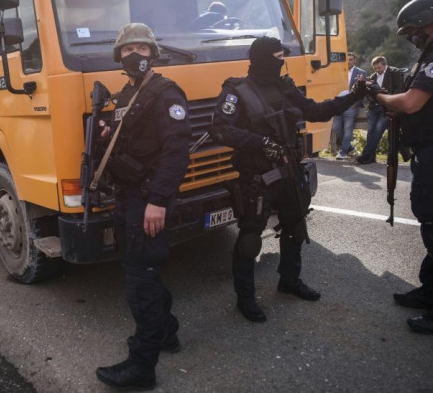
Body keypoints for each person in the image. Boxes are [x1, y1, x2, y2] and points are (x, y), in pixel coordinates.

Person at [207, 36, 366, 322]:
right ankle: (245, 298)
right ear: (263, 59)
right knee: (250, 239)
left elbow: (316, 111)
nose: (282, 61)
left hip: (289, 171)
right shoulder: (236, 90)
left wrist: (355, 95)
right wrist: (261, 143)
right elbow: (219, 129)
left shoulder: (285, 87)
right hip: (256, 176)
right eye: (278, 56)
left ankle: (289, 281)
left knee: (294, 227)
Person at [94, 23, 191, 390]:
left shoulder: (165, 94)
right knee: (142, 270)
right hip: (127, 196)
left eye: (142, 48)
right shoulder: (125, 95)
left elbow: (176, 153)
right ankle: (167, 333)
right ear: (119, 56)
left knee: (140, 282)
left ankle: (142, 365)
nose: (135, 55)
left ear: (153, 53)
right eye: (128, 49)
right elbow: (127, 142)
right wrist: (106, 136)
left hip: (147, 199)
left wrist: (158, 201)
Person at [365, 0, 433, 334]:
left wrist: (376, 96)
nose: (411, 38)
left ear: (428, 23)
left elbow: (410, 102)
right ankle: (432, 290)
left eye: (411, 31)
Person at [355, 56, 405, 164]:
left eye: (379, 67)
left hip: (387, 106)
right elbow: (367, 93)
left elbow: (399, 89)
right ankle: (370, 157)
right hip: (374, 107)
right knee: (371, 132)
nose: (378, 70)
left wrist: (386, 96)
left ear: (384, 65)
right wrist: (374, 96)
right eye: (375, 68)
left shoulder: (394, 72)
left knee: (378, 130)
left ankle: (365, 155)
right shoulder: (372, 76)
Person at [332, 53, 365, 160]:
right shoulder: (338, 72)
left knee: (347, 128)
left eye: (350, 59)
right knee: (336, 127)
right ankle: (349, 147)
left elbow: (363, 90)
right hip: (338, 104)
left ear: (354, 61)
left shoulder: (361, 72)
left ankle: (343, 151)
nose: (348, 61)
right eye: (346, 60)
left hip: (351, 105)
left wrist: (357, 103)